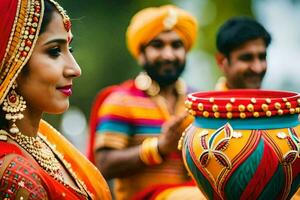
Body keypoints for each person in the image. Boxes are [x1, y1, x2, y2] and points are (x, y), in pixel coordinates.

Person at [87, 5, 202, 200]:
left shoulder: (197, 101)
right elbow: (103, 164)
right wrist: (159, 148)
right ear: (141, 54)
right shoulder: (121, 100)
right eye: (158, 45)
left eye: (176, 45)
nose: (168, 55)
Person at [0, 0, 111, 199]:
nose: (75, 69)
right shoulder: (15, 174)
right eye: (54, 51)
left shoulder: (43, 142)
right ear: (12, 63)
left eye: (70, 50)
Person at [214, 16, 272, 90]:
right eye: (247, 58)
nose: (258, 68)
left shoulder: (280, 100)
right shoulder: (202, 101)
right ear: (221, 61)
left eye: (262, 57)